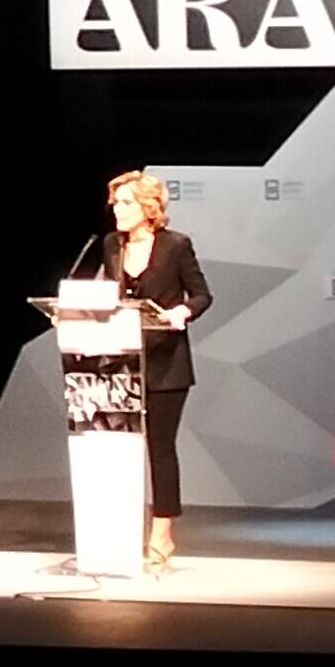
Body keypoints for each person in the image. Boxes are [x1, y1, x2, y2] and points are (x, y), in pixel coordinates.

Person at [106, 169, 209, 569]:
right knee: (120, 450)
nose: (118, 209)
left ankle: (162, 534)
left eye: (126, 203)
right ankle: (118, 529)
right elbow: (107, 295)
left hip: (167, 364)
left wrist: (181, 312)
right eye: (115, 203)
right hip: (119, 363)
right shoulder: (110, 246)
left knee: (160, 449)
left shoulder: (176, 246)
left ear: (148, 209)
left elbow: (201, 294)